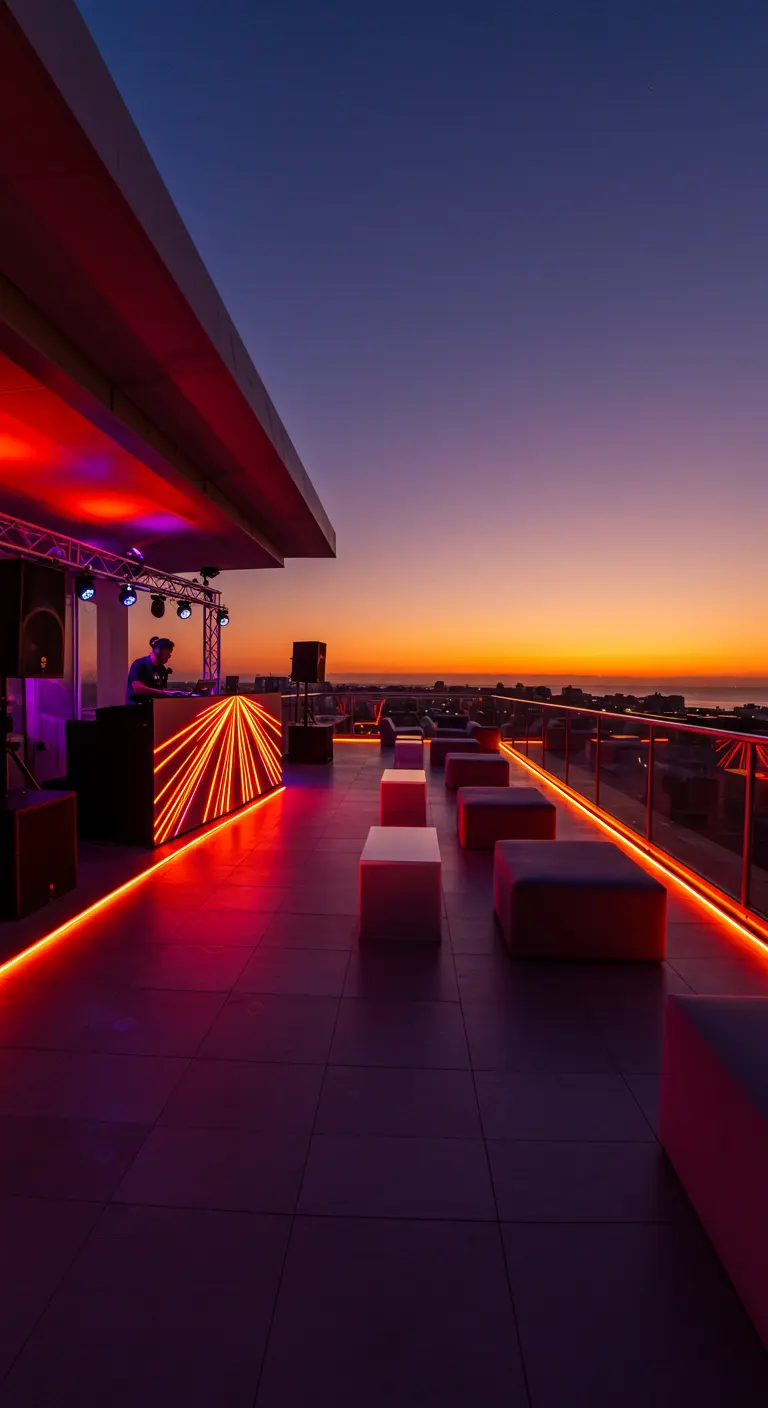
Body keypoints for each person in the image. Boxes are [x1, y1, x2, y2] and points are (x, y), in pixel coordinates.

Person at [125, 638, 188, 704]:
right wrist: (165, 693)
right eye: (167, 653)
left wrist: (177, 692)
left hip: (154, 708)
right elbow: (138, 688)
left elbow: (161, 689)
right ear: (157, 651)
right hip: (136, 708)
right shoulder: (139, 664)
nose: (169, 656)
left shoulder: (162, 669)